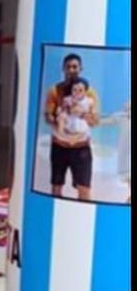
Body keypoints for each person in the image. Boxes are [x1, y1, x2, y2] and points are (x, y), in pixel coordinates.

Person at [43, 54, 99, 200]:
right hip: (60, 146)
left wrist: (81, 114)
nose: (71, 70)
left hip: (81, 148)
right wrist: (61, 119)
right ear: (63, 69)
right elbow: (47, 116)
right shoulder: (55, 90)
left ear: (80, 68)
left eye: (75, 67)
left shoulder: (90, 94)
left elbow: (95, 121)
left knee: (84, 190)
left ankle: (84, 220)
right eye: (68, 67)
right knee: (56, 188)